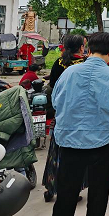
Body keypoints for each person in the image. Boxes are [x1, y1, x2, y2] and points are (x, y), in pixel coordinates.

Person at [51, 31, 109, 216]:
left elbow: (55, 102)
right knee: (98, 195)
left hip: (69, 140)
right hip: (103, 141)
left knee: (66, 194)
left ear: (88, 49)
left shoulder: (69, 73)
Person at [43, 34, 87, 203]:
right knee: (76, 155)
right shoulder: (84, 64)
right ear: (81, 47)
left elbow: (53, 87)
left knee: (56, 152)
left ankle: (50, 188)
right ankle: (72, 190)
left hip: (60, 114)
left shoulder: (58, 63)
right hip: (79, 116)